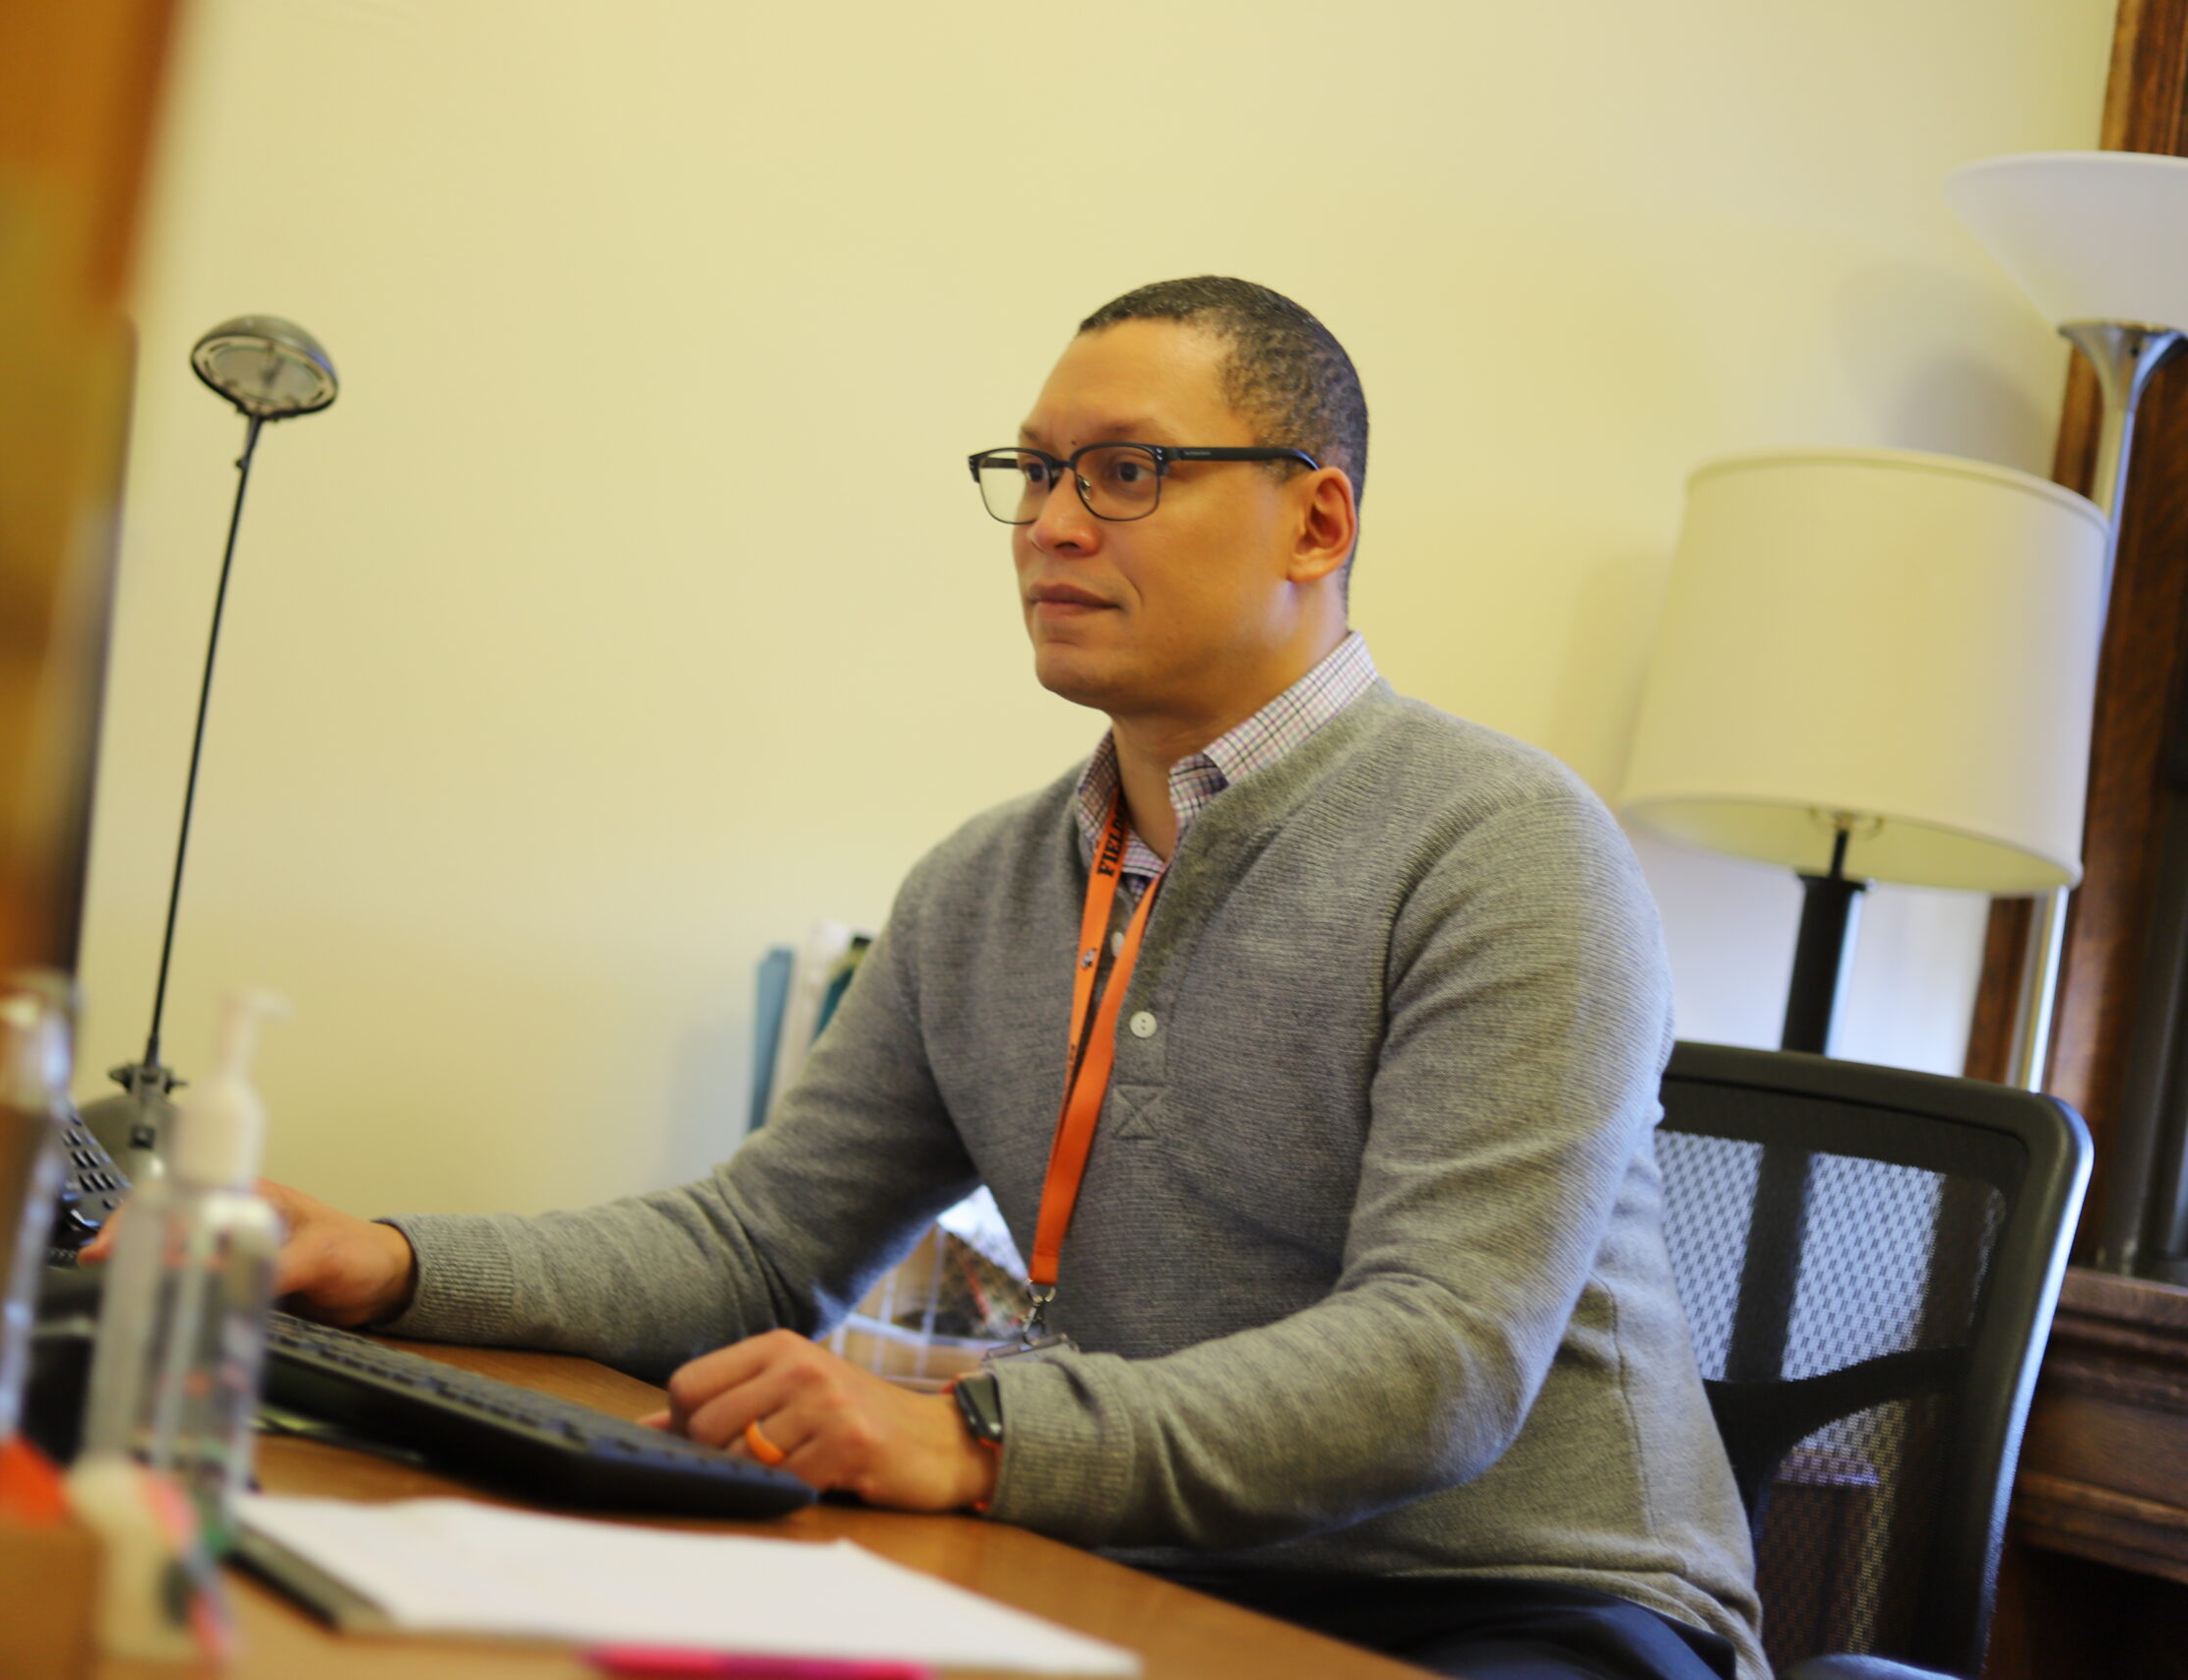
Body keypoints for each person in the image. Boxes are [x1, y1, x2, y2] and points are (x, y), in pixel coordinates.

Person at [243, 278, 1766, 1680]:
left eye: (1125, 471)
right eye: (1035, 473)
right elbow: (759, 1247)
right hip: (1149, 1565)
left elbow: (1439, 1365)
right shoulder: (983, 885)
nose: (1050, 523)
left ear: (1316, 522)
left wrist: (969, 1435)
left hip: (1528, 1608)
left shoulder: (1507, 847)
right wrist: (392, 1261)